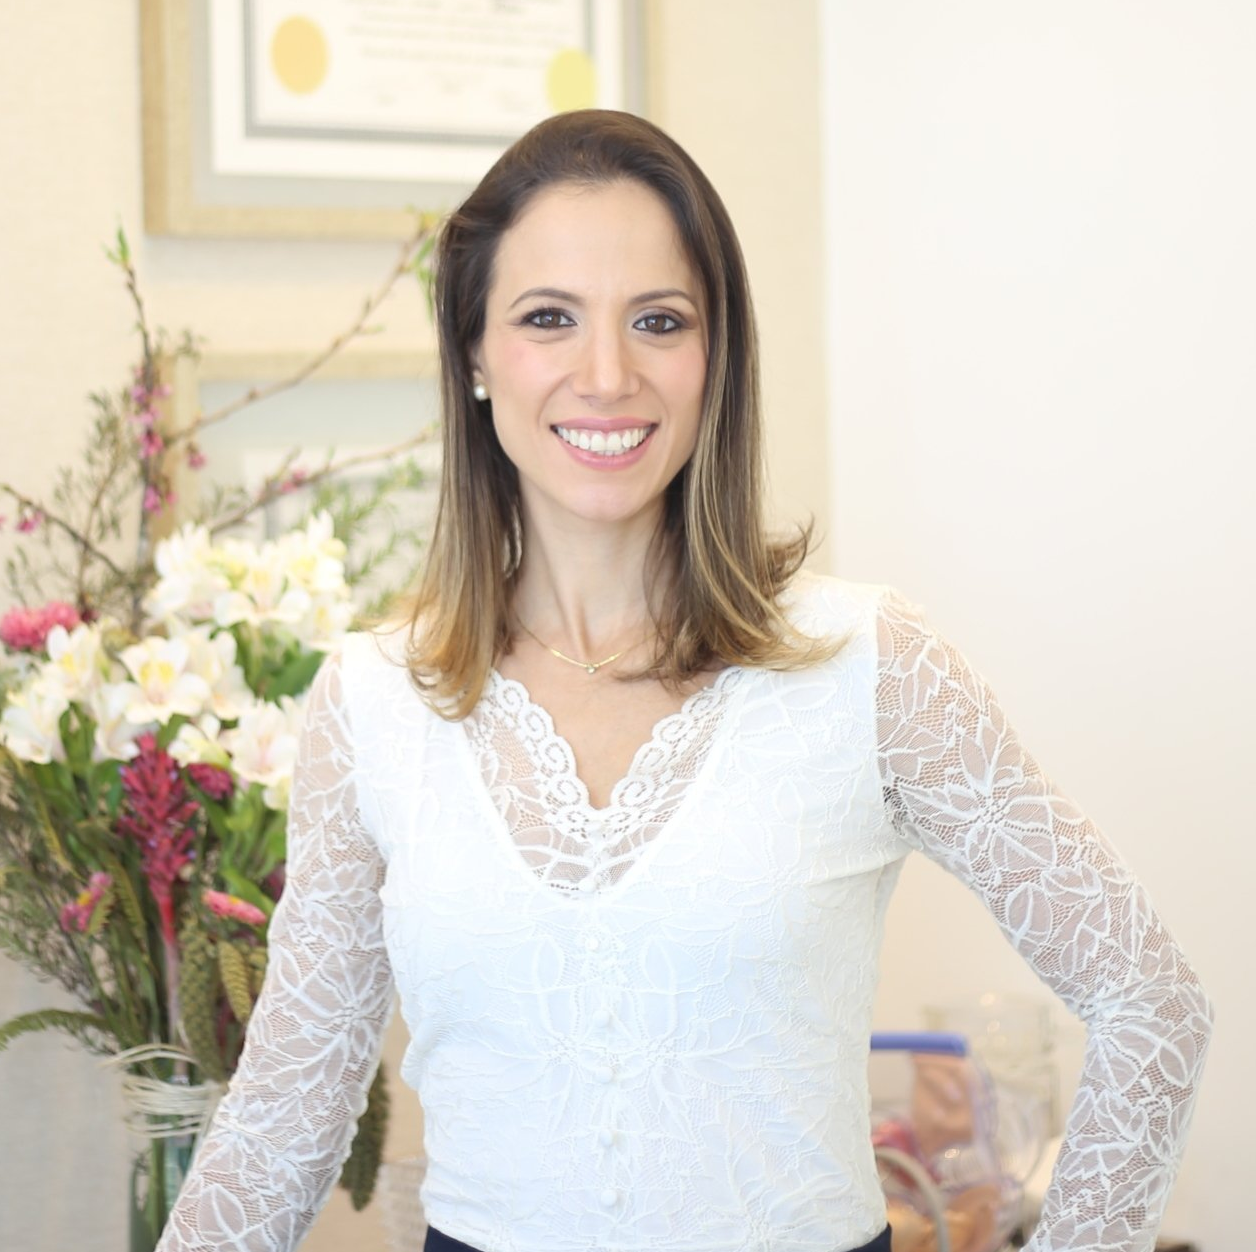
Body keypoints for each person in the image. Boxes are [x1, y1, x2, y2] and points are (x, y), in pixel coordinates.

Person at [157, 110, 1212, 1252]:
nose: (605, 375)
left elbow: (1151, 1001)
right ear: (471, 353)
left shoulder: (870, 665)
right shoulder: (371, 704)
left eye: (657, 321)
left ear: (715, 358)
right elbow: (280, 1126)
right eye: (547, 318)